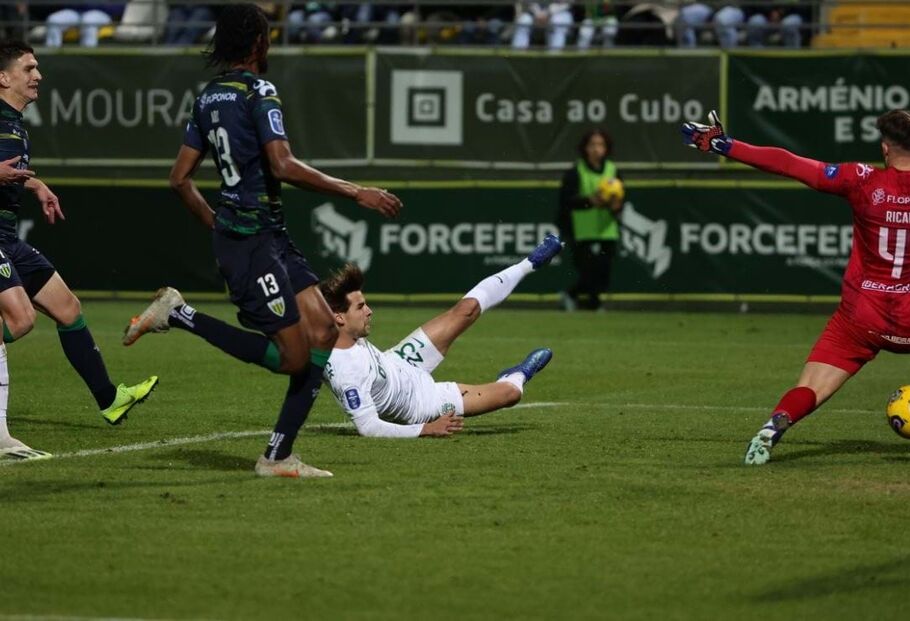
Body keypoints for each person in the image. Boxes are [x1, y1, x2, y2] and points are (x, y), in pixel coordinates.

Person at [122, 4, 402, 478]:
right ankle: (180, 315)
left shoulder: (208, 97)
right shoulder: (259, 90)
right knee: (294, 358)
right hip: (252, 244)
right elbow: (283, 165)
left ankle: (278, 457)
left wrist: (218, 225)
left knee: (324, 333)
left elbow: (179, 179)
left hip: (264, 236)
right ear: (257, 43)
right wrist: (359, 193)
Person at [682, 109, 910, 465]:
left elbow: (788, 163)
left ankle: (772, 428)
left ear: (884, 149)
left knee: (810, 388)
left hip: (864, 320)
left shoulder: (861, 180)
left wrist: (724, 145)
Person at [0, 41, 157, 460]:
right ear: (4, 77)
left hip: (8, 239)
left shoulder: (15, 123)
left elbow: (8, 172)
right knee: (20, 321)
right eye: (29, 68)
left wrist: (35, 184)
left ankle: (110, 399)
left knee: (68, 308)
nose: (38, 75)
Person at [319, 234, 562, 438]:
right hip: (422, 402)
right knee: (510, 395)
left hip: (400, 362)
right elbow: (369, 427)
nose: (370, 311)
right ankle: (515, 375)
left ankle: (529, 263)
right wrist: (425, 429)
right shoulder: (346, 373)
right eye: (360, 307)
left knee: (465, 310)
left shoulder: (335, 332)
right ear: (339, 317)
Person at [558, 128, 624, 312]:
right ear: (585, 148)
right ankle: (584, 300)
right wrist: (591, 201)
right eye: (592, 145)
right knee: (588, 271)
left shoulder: (612, 170)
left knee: (603, 272)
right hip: (583, 230)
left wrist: (615, 206)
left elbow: (621, 202)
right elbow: (566, 201)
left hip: (607, 230)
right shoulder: (575, 172)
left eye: (600, 145)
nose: (596, 149)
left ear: (606, 148)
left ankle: (586, 301)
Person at [45, 2, 125, 48]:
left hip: (102, 12)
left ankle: (88, 56)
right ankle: (53, 55)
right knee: (53, 20)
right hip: (76, 11)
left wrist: (94, 4)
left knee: (88, 21)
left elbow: (118, 8)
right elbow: (66, 3)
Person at [675, 2, 744, 48]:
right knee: (684, 15)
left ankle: (730, 58)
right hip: (708, 7)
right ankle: (687, 58)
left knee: (722, 19)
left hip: (732, 8)